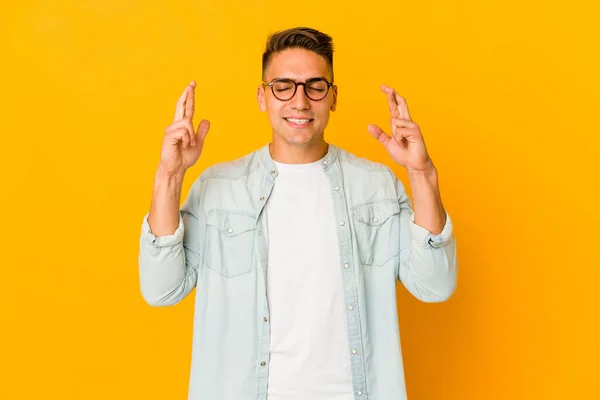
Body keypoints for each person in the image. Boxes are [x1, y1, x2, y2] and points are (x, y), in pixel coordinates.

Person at [138, 27, 457, 400]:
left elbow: (435, 286)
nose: (300, 101)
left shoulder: (376, 186)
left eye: (315, 86)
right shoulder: (218, 189)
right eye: (283, 86)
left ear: (333, 97)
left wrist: (421, 174)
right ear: (262, 96)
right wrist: (170, 176)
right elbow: (161, 289)